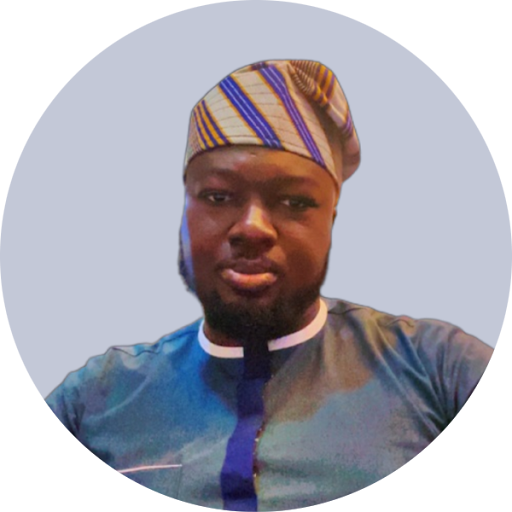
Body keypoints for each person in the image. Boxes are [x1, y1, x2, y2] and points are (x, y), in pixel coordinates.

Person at [45, 60, 493, 510]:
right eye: (218, 197)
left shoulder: (436, 369)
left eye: (294, 202)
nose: (252, 228)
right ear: (185, 211)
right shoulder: (99, 397)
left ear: (331, 221)